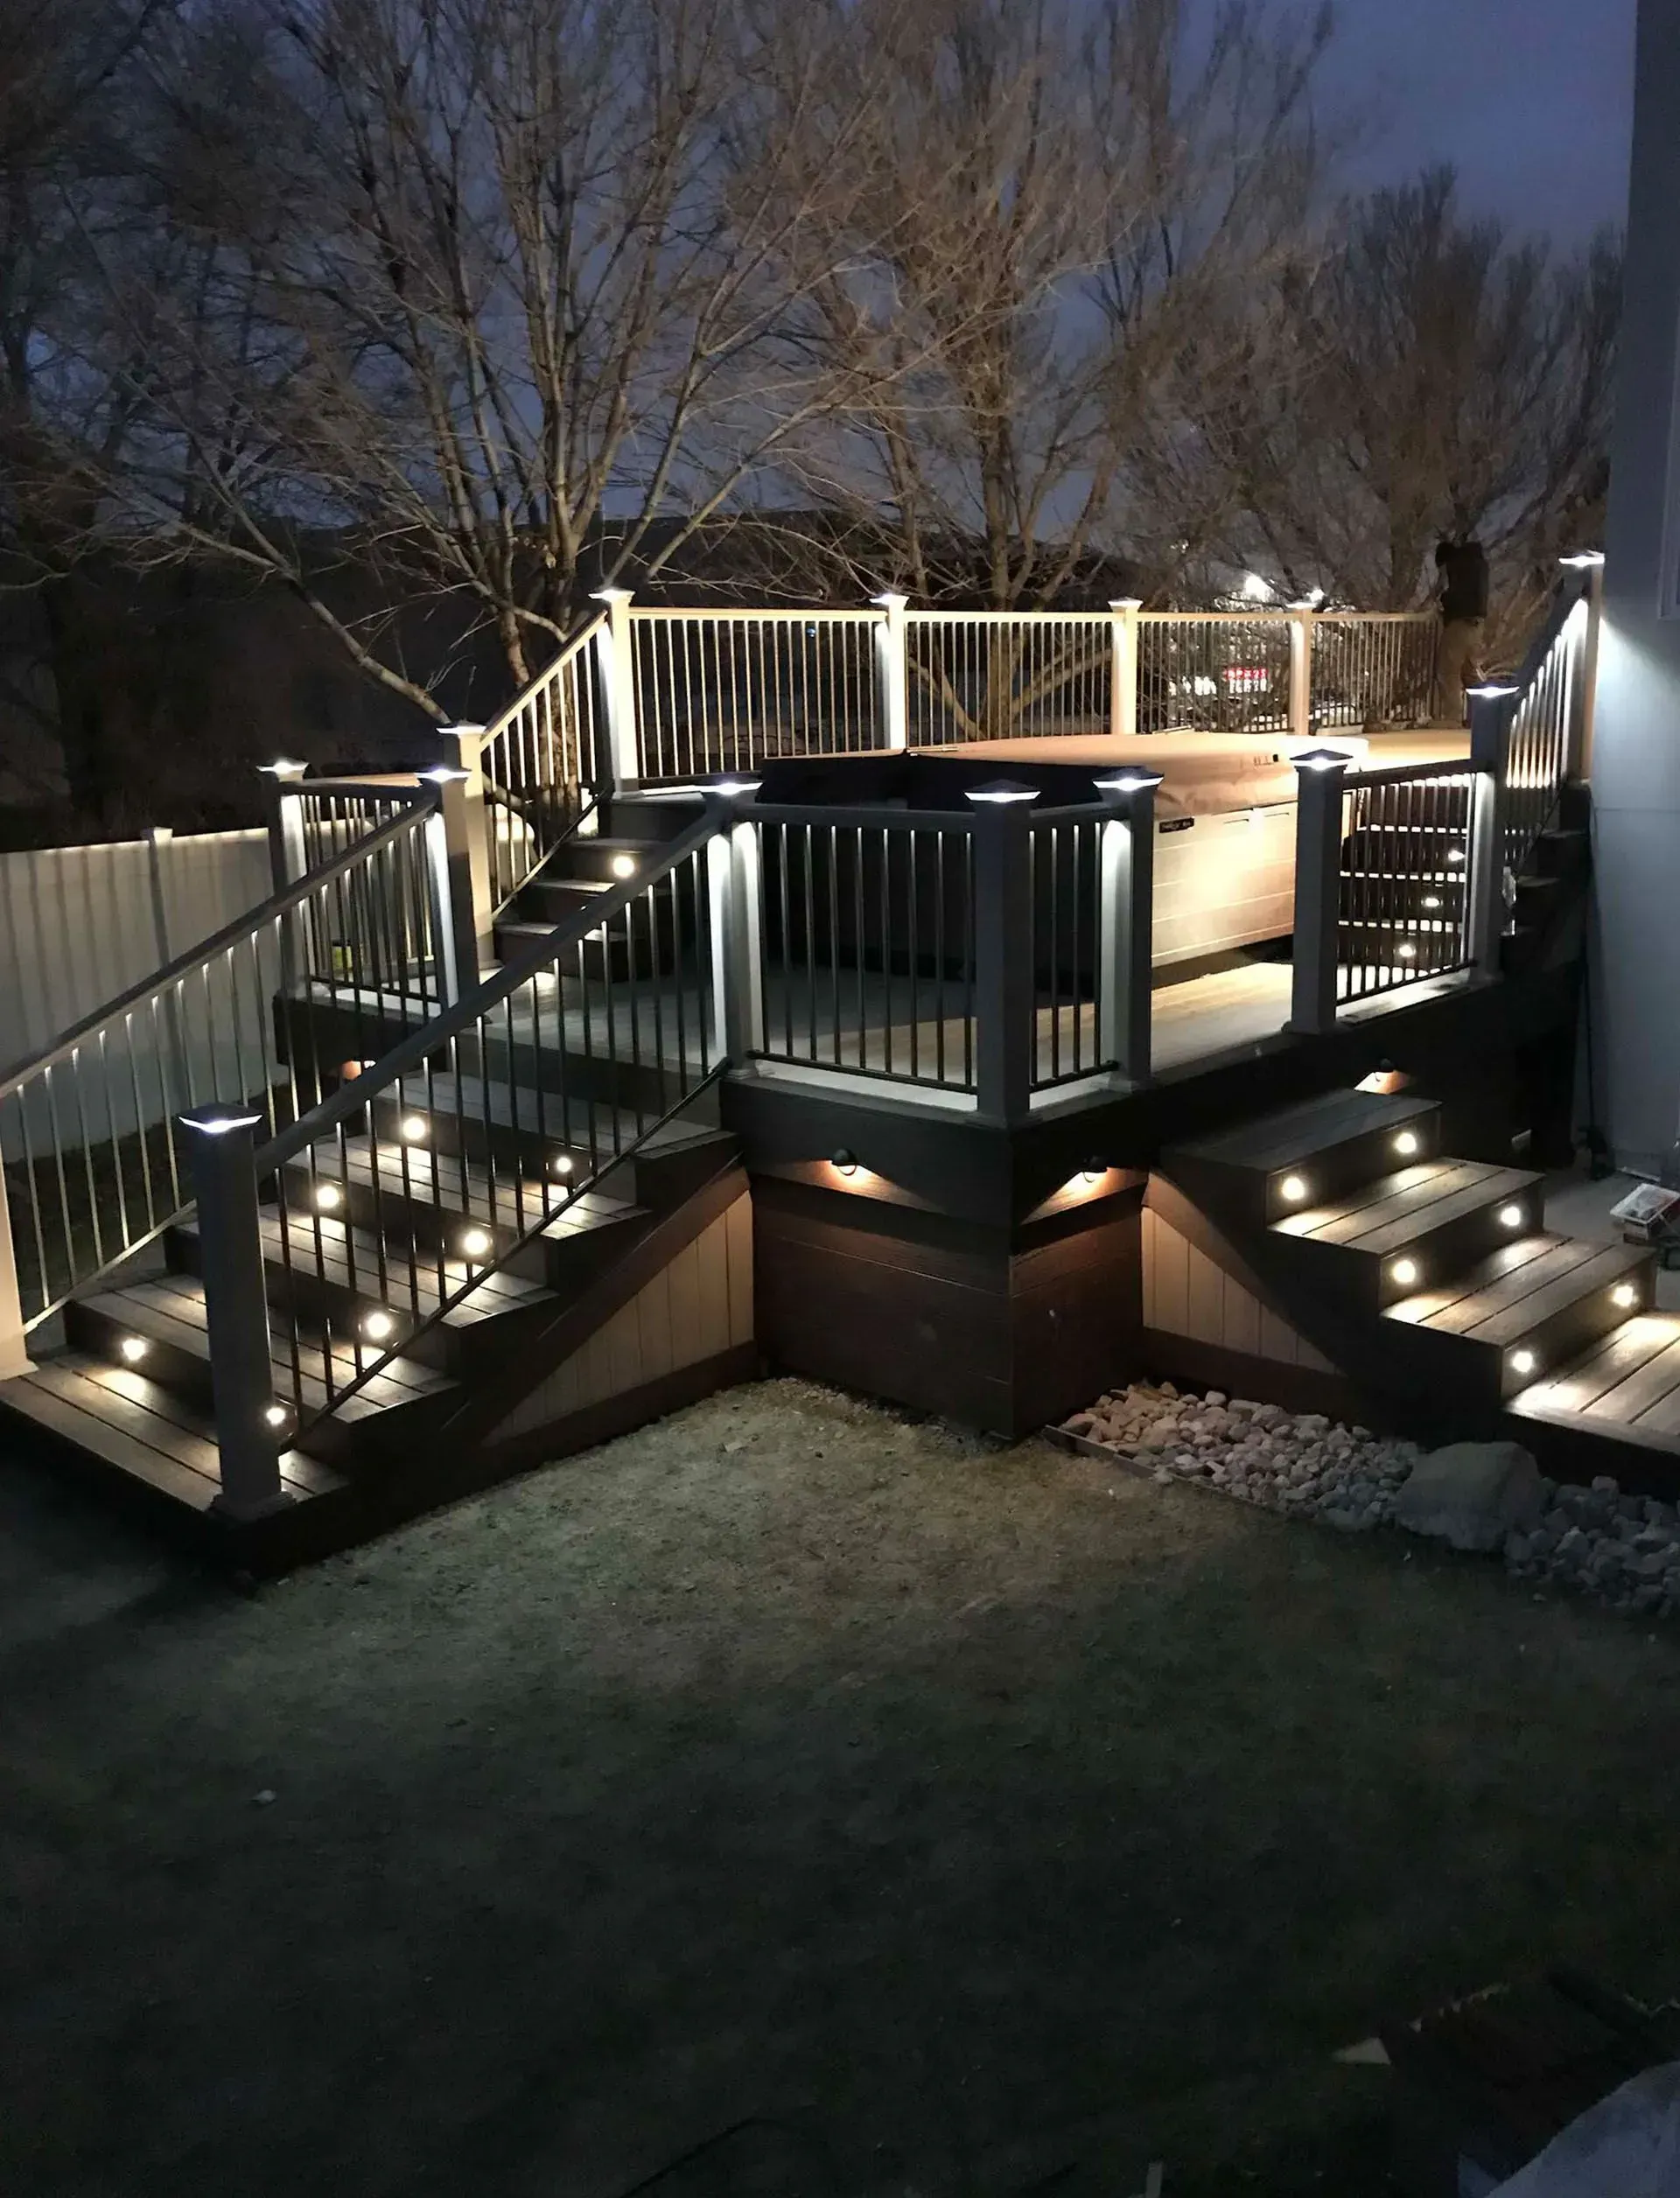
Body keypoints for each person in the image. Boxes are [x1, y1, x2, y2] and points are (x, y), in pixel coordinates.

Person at [1434, 536, 1489, 726]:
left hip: (1461, 623)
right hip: (1477, 623)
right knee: (1469, 670)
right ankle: (1483, 715)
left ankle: (1452, 717)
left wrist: (1445, 601)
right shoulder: (1478, 563)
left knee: (1448, 670)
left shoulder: (1458, 566)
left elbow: (1457, 597)